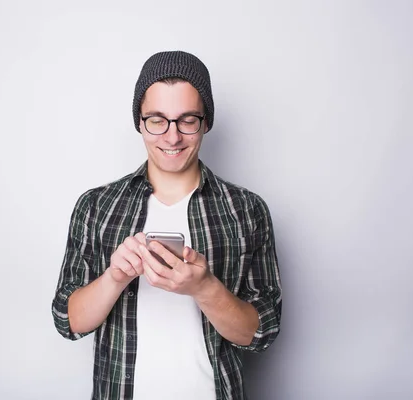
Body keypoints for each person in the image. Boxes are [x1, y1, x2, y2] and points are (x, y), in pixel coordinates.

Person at [52, 50, 282, 400]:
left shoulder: (247, 211)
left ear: (206, 122)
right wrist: (115, 277)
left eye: (187, 120)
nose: (172, 137)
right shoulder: (96, 207)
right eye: (157, 120)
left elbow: (262, 332)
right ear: (139, 122)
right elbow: (67, 321)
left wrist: (205, 288)